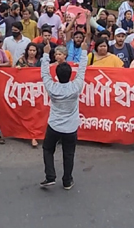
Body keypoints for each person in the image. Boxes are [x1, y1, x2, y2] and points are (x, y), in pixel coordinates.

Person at [39, 38, 87, 190]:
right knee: (69, 154)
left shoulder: (52, 88)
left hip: (54, 125)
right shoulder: (76, 87)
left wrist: (46, 55)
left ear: (57, 75)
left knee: (48, 149)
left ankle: (50, 176)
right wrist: (84, 51)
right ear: (70, 75)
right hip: (71, 127)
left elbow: (44, 73)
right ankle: (67, 181)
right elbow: (82, 70)